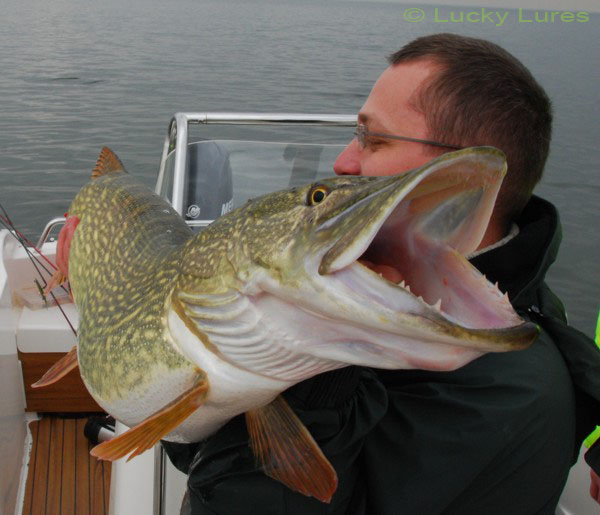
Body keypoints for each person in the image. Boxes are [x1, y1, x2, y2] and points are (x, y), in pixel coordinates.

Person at [163, 34, 600, 514]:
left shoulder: (502, 399)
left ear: (458, 174)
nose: (344, 161)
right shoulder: (390, 291)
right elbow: (202, 447)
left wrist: (320, 376)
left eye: (373, 138)